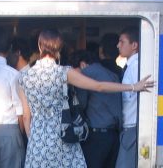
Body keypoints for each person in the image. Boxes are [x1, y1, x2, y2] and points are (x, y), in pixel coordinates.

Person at [17, 29, 153, 168]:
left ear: (40, 46)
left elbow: (26, 116)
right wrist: (133, 87)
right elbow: (99, 86)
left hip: (37, 144)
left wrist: (34, 140)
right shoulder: (64, 72)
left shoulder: (23, 77)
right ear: (60, 48)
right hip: (64, 140)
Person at [70, 49, 122, 168]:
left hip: (95, 136)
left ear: (82, 64)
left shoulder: (86, 74)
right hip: (113, 135)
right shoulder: (112, 75)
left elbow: (81, 105)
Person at [0, 27, 25, 168]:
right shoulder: (12, 74)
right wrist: (21, 136)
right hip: (10, 131)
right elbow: (20, 112)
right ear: (10, 48)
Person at [115, 26, 140, 168]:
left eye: (122, 41)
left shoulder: (136, 66)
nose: (118, 45)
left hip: (131, 126)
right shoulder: (131, 65)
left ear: (134, 45)